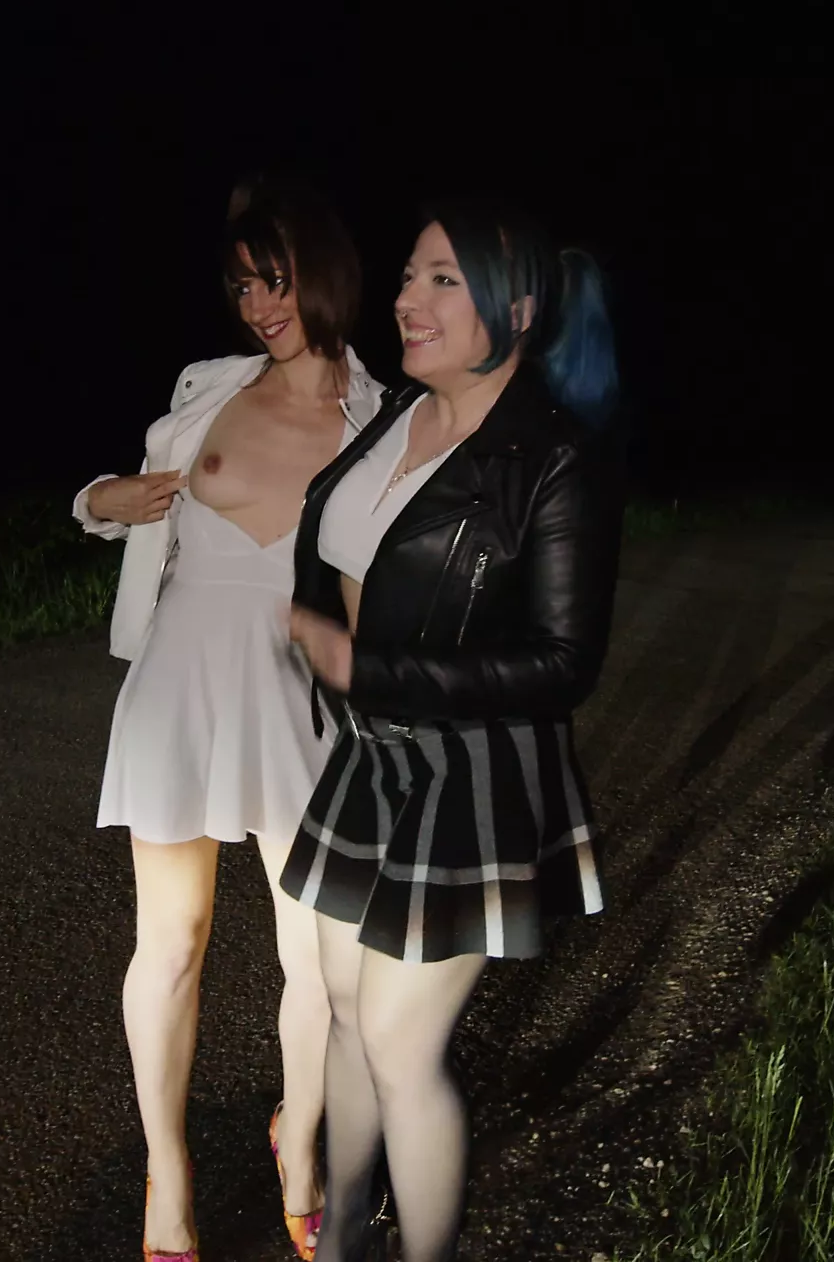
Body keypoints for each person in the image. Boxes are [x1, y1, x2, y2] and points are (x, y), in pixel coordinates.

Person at [281, 200, 624, 1262]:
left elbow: (564, 664)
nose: (407, 299)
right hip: (368, 753)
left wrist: (368, 668)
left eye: (442, 279)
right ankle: (343, 1232)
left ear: (515, 310)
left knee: (397, 1039)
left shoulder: (552, 458)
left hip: (472, 770)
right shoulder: (398, 413)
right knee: (345, 1007)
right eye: (407, 277)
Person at [76, 175, 388, 1260]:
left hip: (298, 699)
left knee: (323, 964)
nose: (259, 306)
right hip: (181, 685)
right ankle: (168, 1181)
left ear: (326, 275)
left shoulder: (380, 419)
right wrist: (96, 502)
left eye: (277, 281)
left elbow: (383, 583)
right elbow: (117, 499)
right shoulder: (209, 387)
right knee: (169, 944)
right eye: (243, 286)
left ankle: (298, 1145)